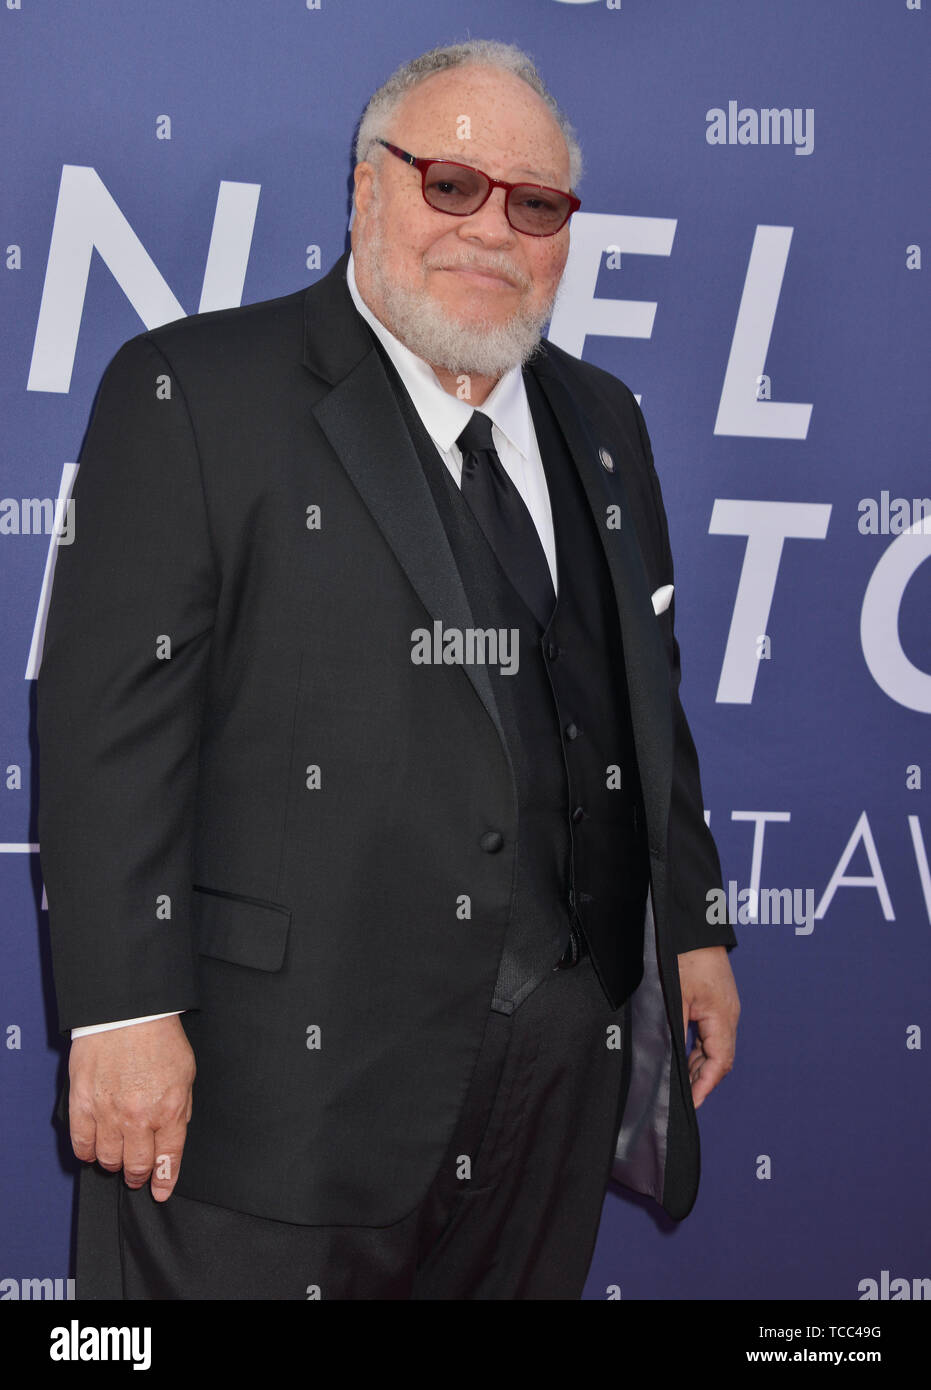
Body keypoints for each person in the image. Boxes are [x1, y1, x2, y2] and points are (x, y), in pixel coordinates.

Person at [37, 39, 739, 1300]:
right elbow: (107, 729)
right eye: (451, 185)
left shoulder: (606, 422)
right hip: (278, 1100)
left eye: (534, 204)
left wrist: (687, 926)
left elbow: (644, 692)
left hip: (549, 1086)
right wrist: (121, 1012)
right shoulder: (195, 392)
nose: (491, 230)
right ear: (367, 190)